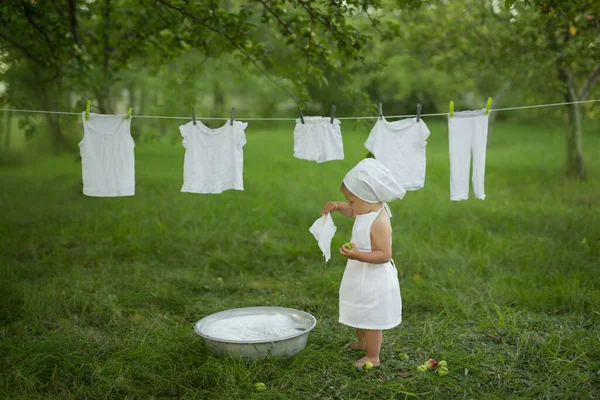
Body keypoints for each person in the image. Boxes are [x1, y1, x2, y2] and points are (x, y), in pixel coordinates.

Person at [321, 158, 405, 368]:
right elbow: (354, 211)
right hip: (360, 273)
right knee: (359, 309)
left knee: (372, 317)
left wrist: (358, 255)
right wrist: (338, 206)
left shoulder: (379, 222)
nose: (350, 206)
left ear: (368, 197)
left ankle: (373, 356)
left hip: (374, 277)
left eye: (351, 200)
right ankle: (361, 342)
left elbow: (384, 255)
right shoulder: (365, 208)